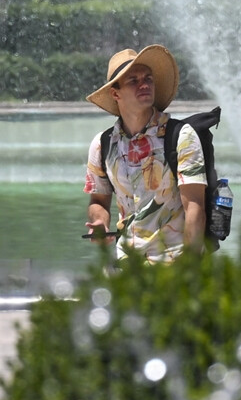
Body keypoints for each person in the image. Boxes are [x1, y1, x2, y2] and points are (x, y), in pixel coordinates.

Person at [83, 45, 207, 263]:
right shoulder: (102, 144)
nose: (144, 84)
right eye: (133, 80)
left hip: (173, 265)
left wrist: (190, 268)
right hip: (125, 266)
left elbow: (195, 207)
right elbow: (98, 202)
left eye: (148, 78)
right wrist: (100, 221)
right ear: (115, 93)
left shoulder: (181, 136)